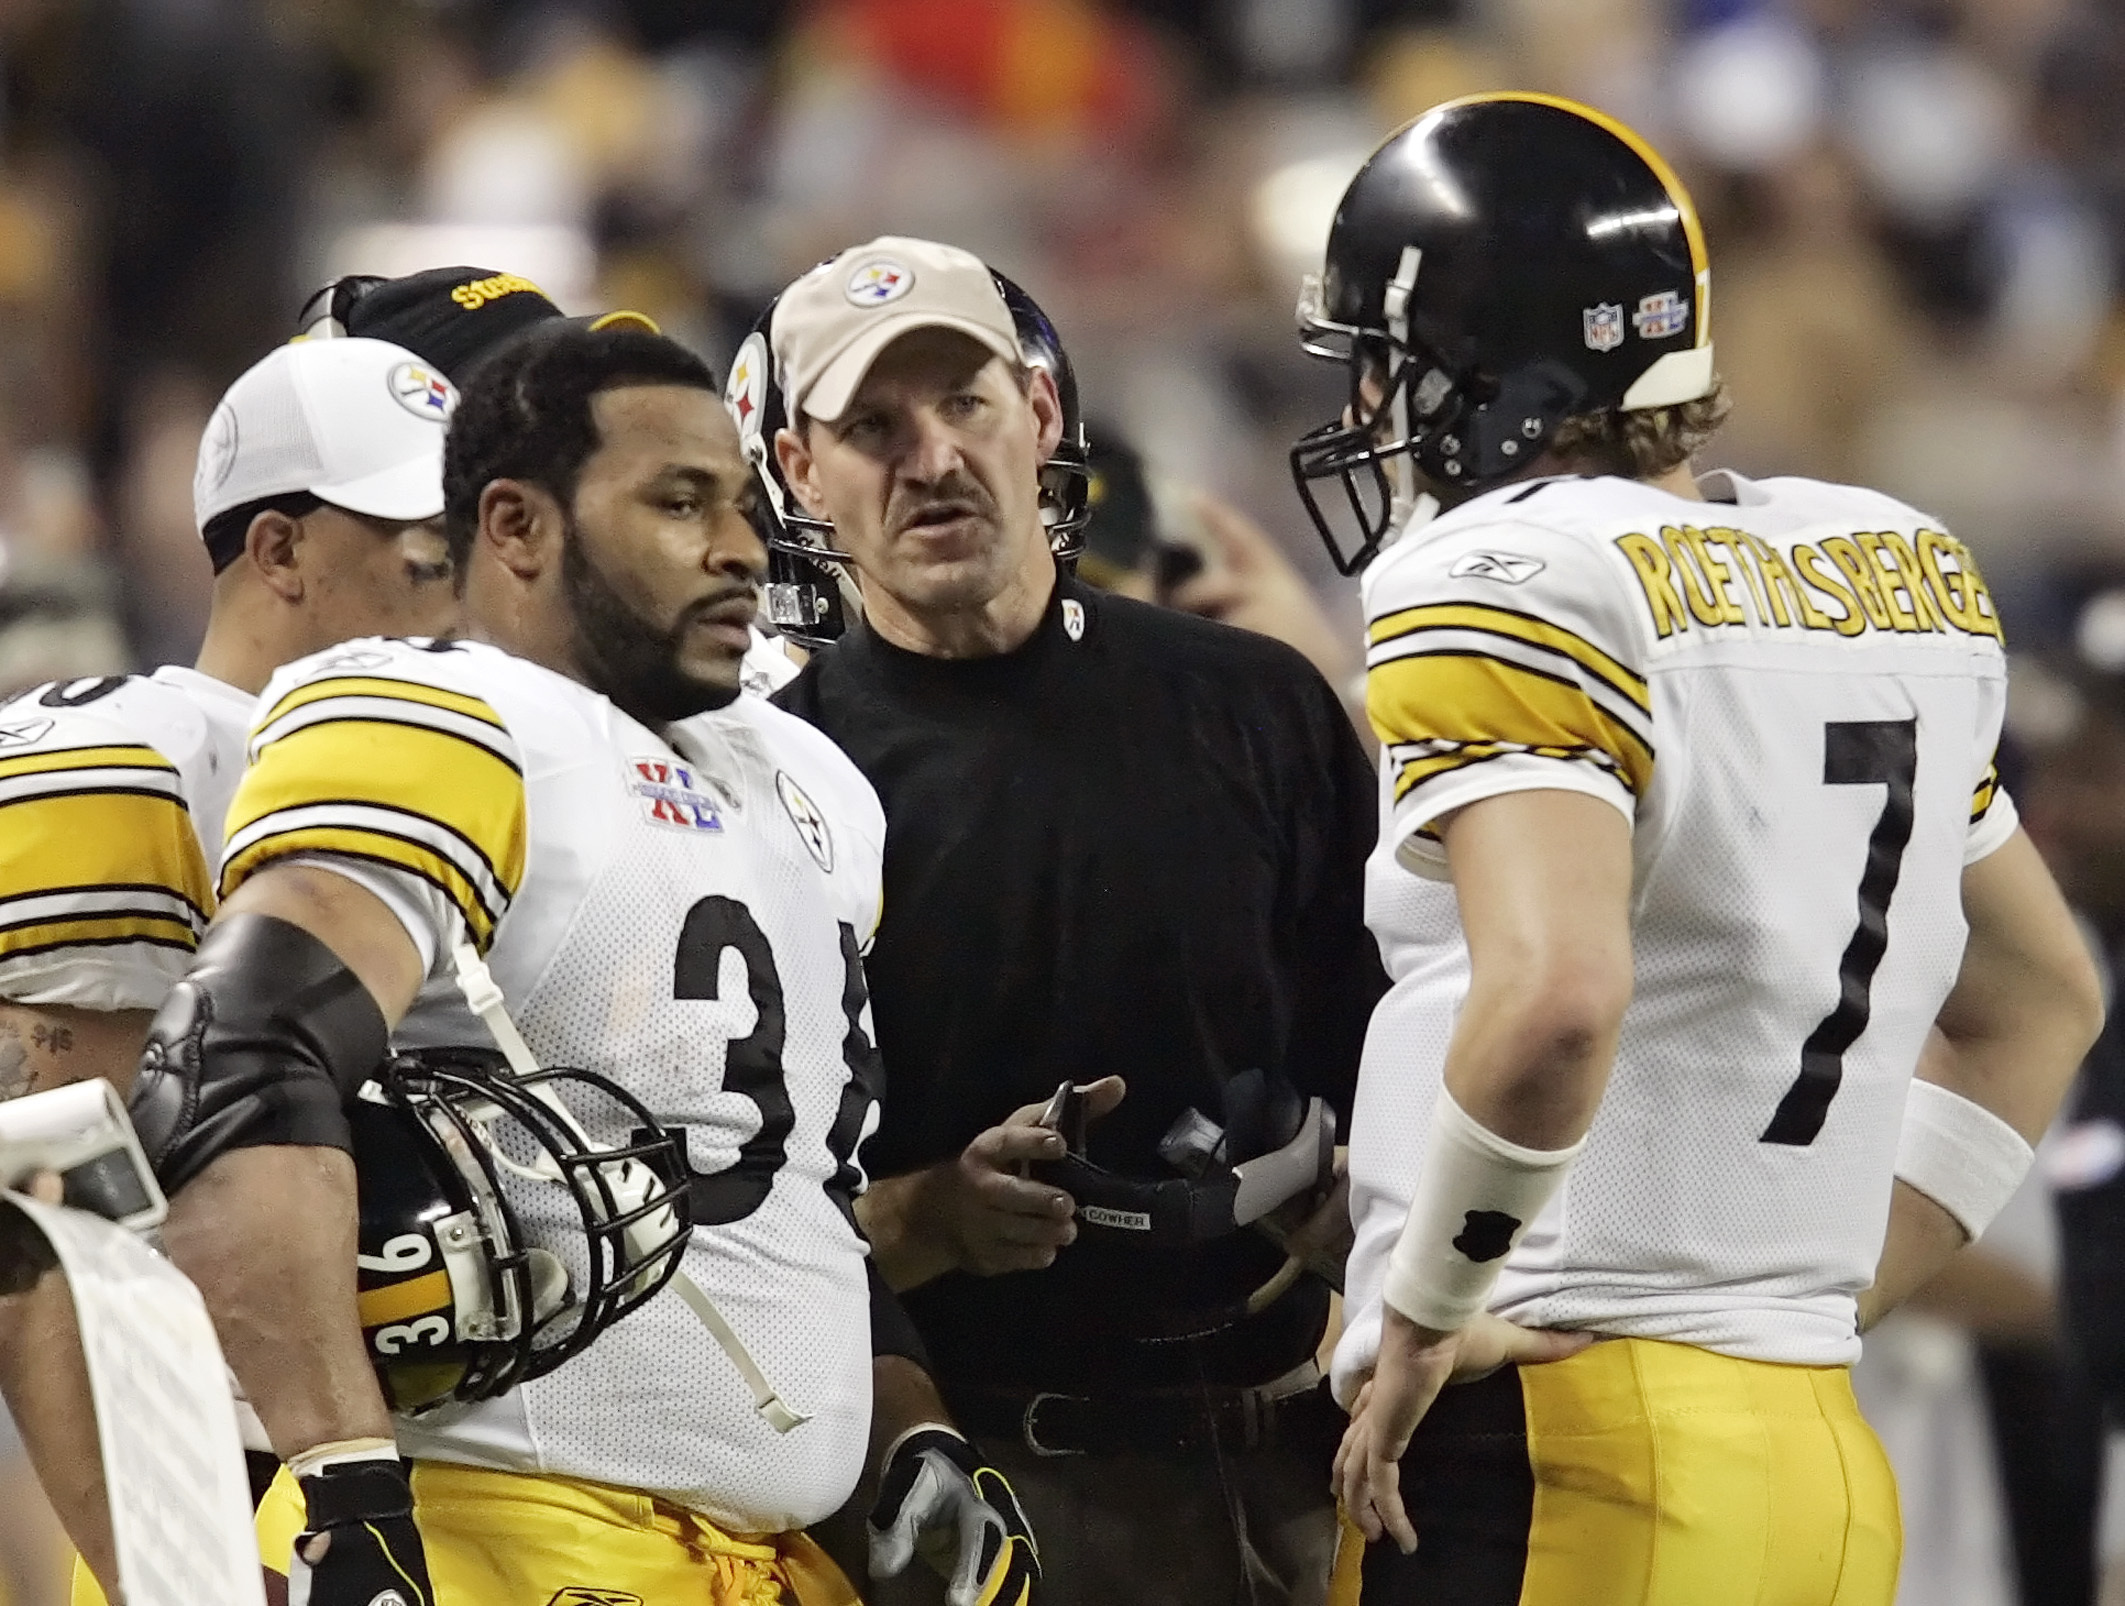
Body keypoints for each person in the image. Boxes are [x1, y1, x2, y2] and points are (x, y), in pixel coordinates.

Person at [1294, 94, 2104, 1606]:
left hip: (1567, 1430)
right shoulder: (1886, 569)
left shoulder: (1514, 571)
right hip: (1811, 1453)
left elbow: (1553, 999)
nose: (1364, 420)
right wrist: (1826, 1288)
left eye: (1386, 373)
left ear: (1494, 377)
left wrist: (1426, 1306)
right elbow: (2041, 994)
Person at [121, 320, 1034, 1606]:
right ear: (518, 528)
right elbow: (229, 1070)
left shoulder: (800, 777)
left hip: (758, 1560)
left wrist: (900, 1435)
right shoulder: (452, 711)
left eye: (737, 502)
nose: (737, 545)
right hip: (504, 1531)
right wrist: (341, 1485)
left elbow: (791, 1195)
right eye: (676, 502)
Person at [749, 235, 1386, 1606]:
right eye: (871, 426)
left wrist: (1361, 1207)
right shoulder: (769, 783)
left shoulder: (1258, 704)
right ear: (802, 473)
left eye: (963, 404)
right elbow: (745, 1217)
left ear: (1037, 417)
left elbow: (1379, 1046)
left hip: (1295, 1456)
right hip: (988, 1474)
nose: (930, 458)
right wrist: (934, 1214)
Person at [0, 332, 460, 1599]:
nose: (469, 577)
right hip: (236, 1494)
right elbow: (48, 1233)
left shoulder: (464, 754)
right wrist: (180, 1572)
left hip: (443, 1480)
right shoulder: (153, 753)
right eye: (426, 545)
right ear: (279, 550)